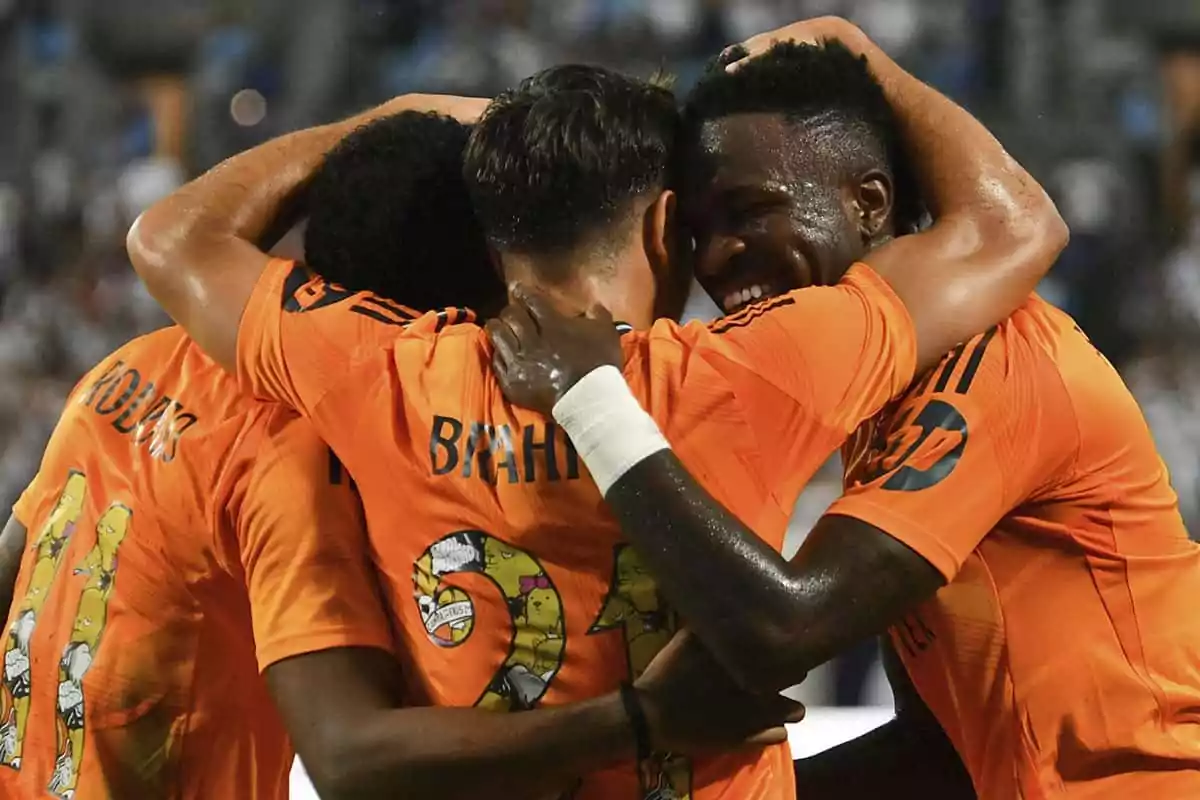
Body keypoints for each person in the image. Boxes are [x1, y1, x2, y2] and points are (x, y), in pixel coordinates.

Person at [127, 17, 1059, 799]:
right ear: (663, 225)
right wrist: (859, 50)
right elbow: (1015, 223)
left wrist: (393, 117)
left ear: (495, 245)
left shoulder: (376, 368)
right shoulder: (756, 367)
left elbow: (170, 236)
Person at [487, 17, 1200, 799]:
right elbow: (937, 751)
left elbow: (782, 630)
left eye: (751, 209)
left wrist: (594, 402)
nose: (718, 255)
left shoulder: (997, 367)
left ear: (869, 203)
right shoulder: (882, 398)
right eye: (700, 230)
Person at [0, 101, 501, 799]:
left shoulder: (136, 361)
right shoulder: (298, 451)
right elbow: (346, 753)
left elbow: (14, 572)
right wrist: (634, 719)